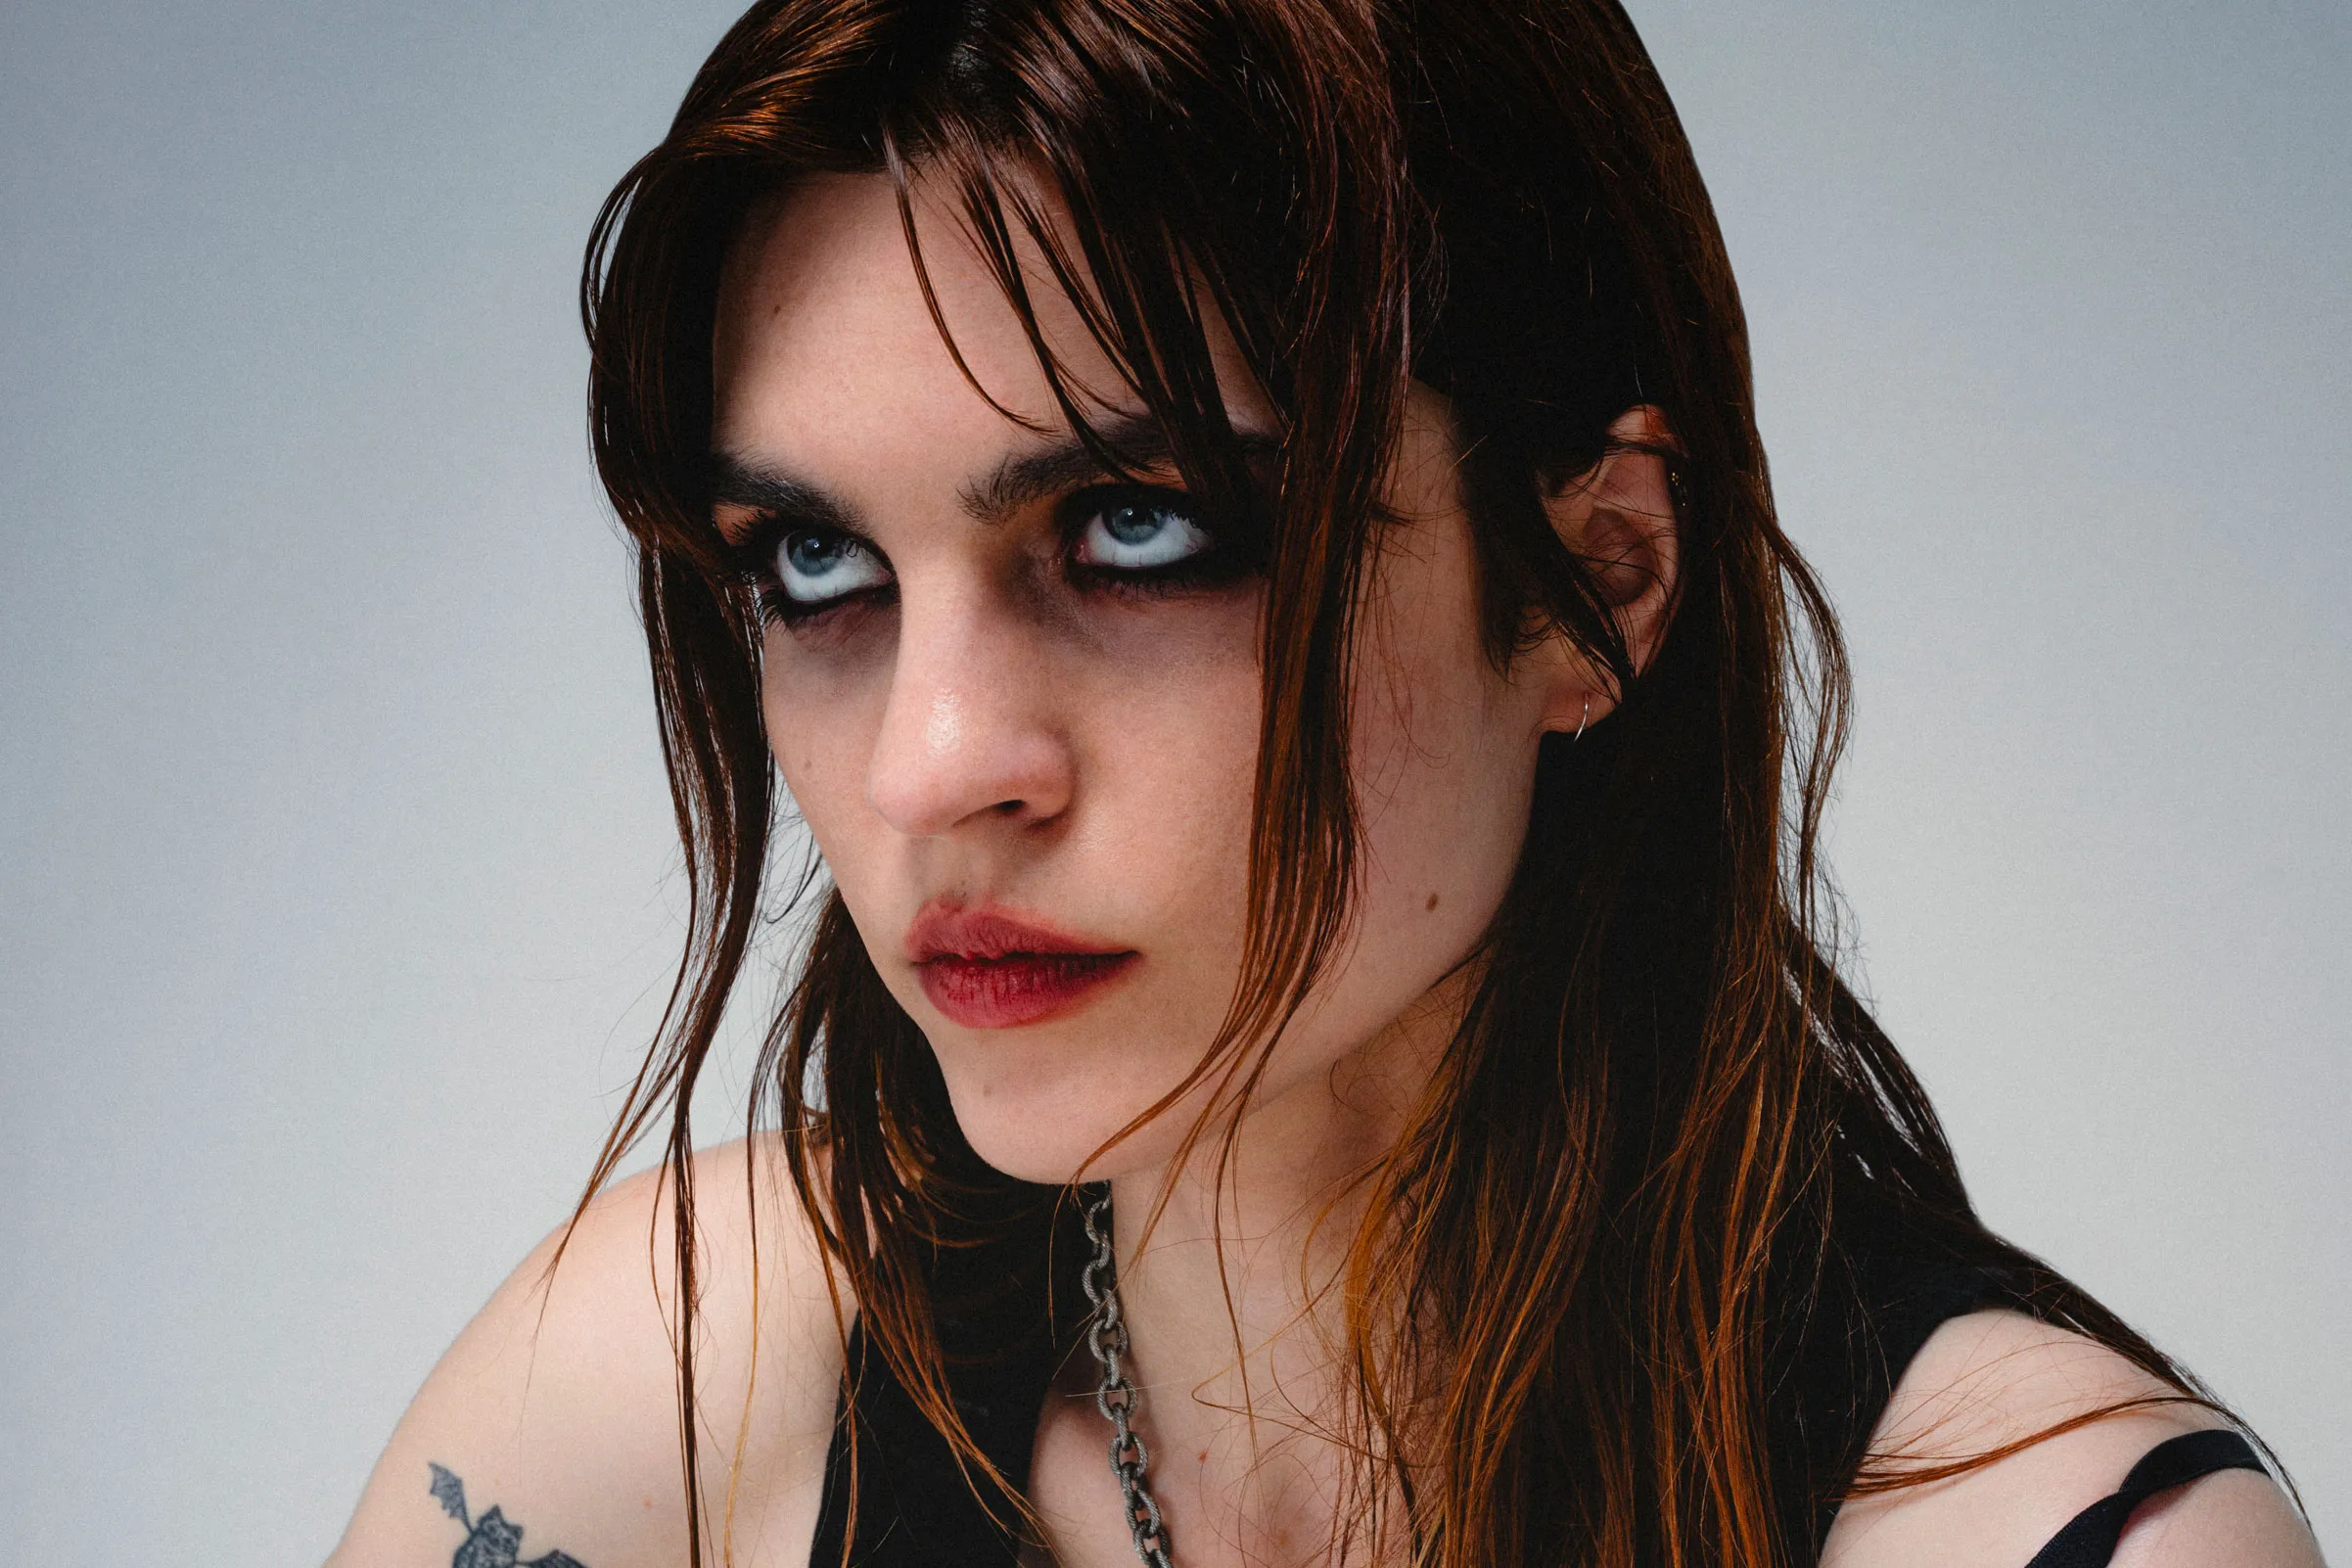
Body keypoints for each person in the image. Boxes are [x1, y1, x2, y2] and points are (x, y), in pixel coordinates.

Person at [328, 2, 2322, 1565]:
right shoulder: (670, 1392)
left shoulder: (2043, 1538)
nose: (929, 767)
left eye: (1136, 531)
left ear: (1596, 580)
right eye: (816, 563)